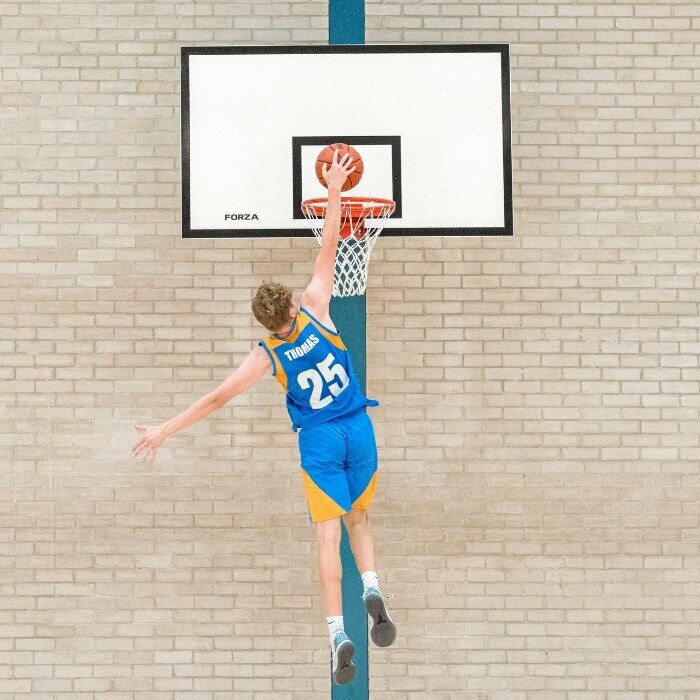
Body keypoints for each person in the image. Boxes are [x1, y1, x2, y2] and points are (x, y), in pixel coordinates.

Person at [131, 148, 396, 685]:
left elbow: (216, 399)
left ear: (266, 321)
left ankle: (337, 634)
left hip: (319, 441)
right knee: (360, 521)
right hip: (358, 430)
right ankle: (372, 587)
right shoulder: (317, 307)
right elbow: (330, 245)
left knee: (326, 538)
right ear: (293, 310)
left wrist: (164, 428)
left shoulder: (266, 355)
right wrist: (335, 187)